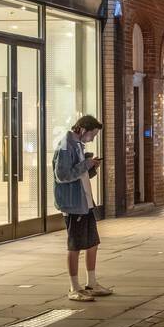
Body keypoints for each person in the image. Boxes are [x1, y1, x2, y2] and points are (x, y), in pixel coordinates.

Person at [52, 115, 111, 302]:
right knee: (75, 246)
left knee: (92, 243)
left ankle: (91, 283)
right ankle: (74, 287)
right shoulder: (65, 146)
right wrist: (87, 164)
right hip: (73, 204)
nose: (92, 138)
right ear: (83, 129)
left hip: (85, 202)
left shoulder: (77, 145)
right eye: (92, 134)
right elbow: (62, 175)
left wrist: (91, 167)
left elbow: (79, 174)